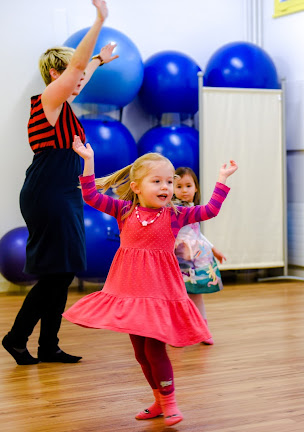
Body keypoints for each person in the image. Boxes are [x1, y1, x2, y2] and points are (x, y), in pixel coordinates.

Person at [63, 136, 237, 426]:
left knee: (155, 349)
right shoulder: (124, 211)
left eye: (169, 182)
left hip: (159, 294)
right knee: (140, 353)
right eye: (157, 182)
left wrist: (222, 179)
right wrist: (88, 160)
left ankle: (170, 403)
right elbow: (91, 195)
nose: (166, 188)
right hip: (129, 292)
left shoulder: (175, 215)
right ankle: (158, 400)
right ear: (136, 187)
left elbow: (210, 210)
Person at [2, 0, 119, 366]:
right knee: (55, 274)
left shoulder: (64, 105)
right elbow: (77, 68)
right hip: (48, 193)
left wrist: (100, 59)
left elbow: (83, 70)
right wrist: (99, 21)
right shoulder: (47, 103)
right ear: (57, 74)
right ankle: (17, 338)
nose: (80, 80)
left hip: (63, 191)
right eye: (72, 73)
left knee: (63, 272)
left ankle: (48, 345)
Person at [173, 167, 227, 345]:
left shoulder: (194, 209)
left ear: (196, 188)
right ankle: (177, 332)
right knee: (178, 298)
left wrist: (213, 249)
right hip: (178, 260)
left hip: (196, 259)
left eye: (189, 185)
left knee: (197, 296)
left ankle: (203, 331)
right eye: (179, 186)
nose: (184, 190)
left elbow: (198, 233)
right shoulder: (171, 210)